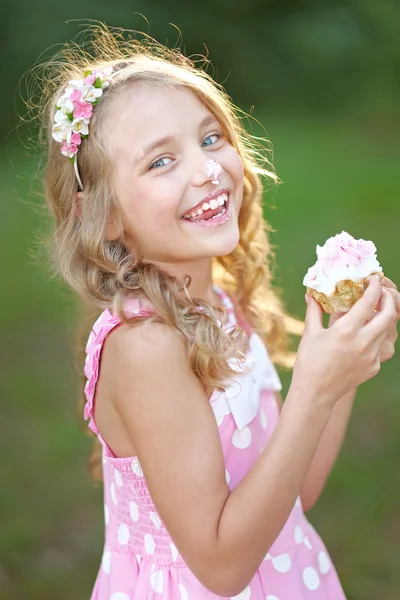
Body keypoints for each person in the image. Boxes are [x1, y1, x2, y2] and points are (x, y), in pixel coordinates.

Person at [37, 24, 399, 600]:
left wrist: (338, 370)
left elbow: (293, 494)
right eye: (160, 162)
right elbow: (223, 569)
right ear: (101, 215)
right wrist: (310, 387)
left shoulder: (217, 304)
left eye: (210, 139)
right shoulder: (146, 346)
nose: (207, 169)